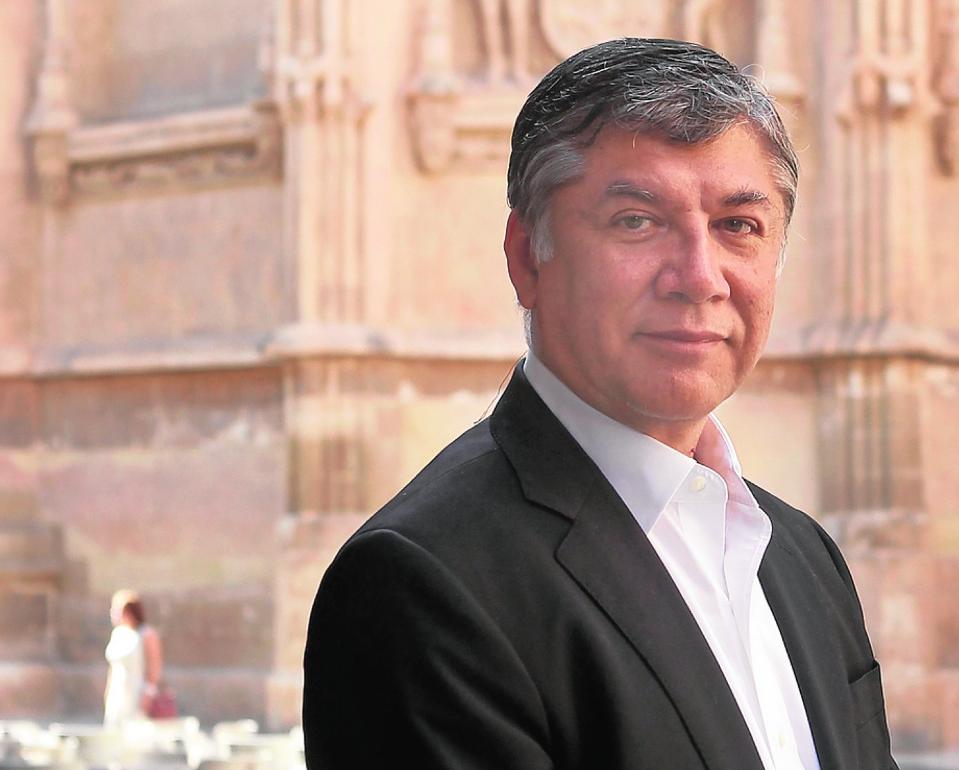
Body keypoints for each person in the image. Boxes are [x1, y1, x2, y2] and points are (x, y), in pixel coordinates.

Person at [303, 38, 897, 770]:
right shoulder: (421, 583)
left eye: (738, 225)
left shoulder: (804, 557)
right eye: (637, 221)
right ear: (528, 258)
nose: (699, 277)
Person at [103, 589, 164, 726]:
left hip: (137, 692)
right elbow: (114, 667)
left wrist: (148, 695)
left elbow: (154, 666)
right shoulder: (118, 633)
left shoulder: (147, 634)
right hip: (118, 693)